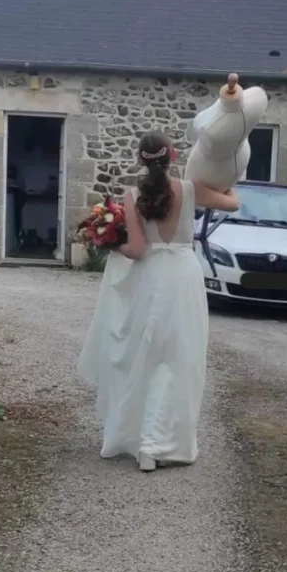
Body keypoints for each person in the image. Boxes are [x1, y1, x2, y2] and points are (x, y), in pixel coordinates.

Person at [78, 131, 238, 472]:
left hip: (150, 278)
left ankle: (140, 442)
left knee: (144, 357)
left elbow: (136, 250)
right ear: (174, 156)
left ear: (140, 159)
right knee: (179, 358)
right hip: (183, 275)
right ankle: (161, 443)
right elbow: (233, 203)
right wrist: (228, 181)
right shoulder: (191, 188)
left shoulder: (133, 195)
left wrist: (109, 245)